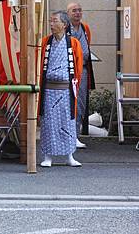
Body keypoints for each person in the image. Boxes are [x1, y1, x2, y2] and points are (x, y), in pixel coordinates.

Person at [38, 11, 83, 168]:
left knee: (67, 121)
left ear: (64, 24)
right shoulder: (45, 42)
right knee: (48, 122)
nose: (51, 24)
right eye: (50, 21)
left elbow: (78, 67)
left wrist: (74, 86)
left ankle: (69, 155)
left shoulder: (73, 43)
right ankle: (47, 155)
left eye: (55, 21)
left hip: (65, 89)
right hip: (49, 89)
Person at [66, 2, 95, 149]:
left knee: (81, 103)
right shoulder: (64, 28)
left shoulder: (85, 28)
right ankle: (68, 135)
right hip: (69, 70)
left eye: (79, 10)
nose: (77, 13)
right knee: (69, 102)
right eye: (74, 11)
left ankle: (75, 134)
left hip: (83, 70)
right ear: (68, 13)